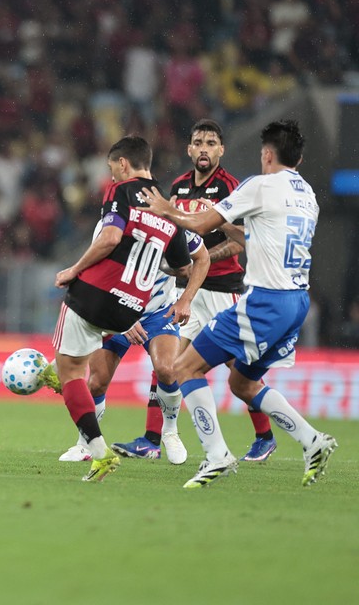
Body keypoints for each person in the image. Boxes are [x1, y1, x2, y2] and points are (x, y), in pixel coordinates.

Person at [139, 119, 337, 488]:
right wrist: (226, 221)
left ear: (266, 154)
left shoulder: (259, 186)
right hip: (296, 301)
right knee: (243, 383)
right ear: (300, 157)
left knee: (183, 368)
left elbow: (197, 225)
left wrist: (167, 209)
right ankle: (314, 441)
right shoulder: (307, 194)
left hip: (264, 300)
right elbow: (257, 233)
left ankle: (217, 456)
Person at [114, 119, 277, 462]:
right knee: (167, 366)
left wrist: (212, 229)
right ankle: (150, 439)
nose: (204, 148)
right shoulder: (178, 186)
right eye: (198, 142)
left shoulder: (232, 187)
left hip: (222, 291)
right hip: (185, 291)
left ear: (221, 150)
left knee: (239, 369)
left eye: (211, 143)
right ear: (189, 149)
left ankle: (265, 436)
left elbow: (243, 241)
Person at [53, 136, 193, 482]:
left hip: (123, 302)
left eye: (112, 169)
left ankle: (156, 436)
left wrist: (73, 270)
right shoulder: (168, 209)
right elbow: (181, 264)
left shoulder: (123, 194)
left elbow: (113, 239)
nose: (111, 176)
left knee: (76, 372)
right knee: (96, 379)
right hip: (127, 306)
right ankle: (86, 442)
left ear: (123, 165)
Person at [58, 226, 209, 465]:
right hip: (116, 309)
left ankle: (170, 431)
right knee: (97, 382)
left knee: (167, 369)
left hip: (158, 312)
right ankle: (85, 444)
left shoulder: (171, 223)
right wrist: (122, 320)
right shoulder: (112, 223)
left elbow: (202, 257)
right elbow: (98, 271)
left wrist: (186, 299)